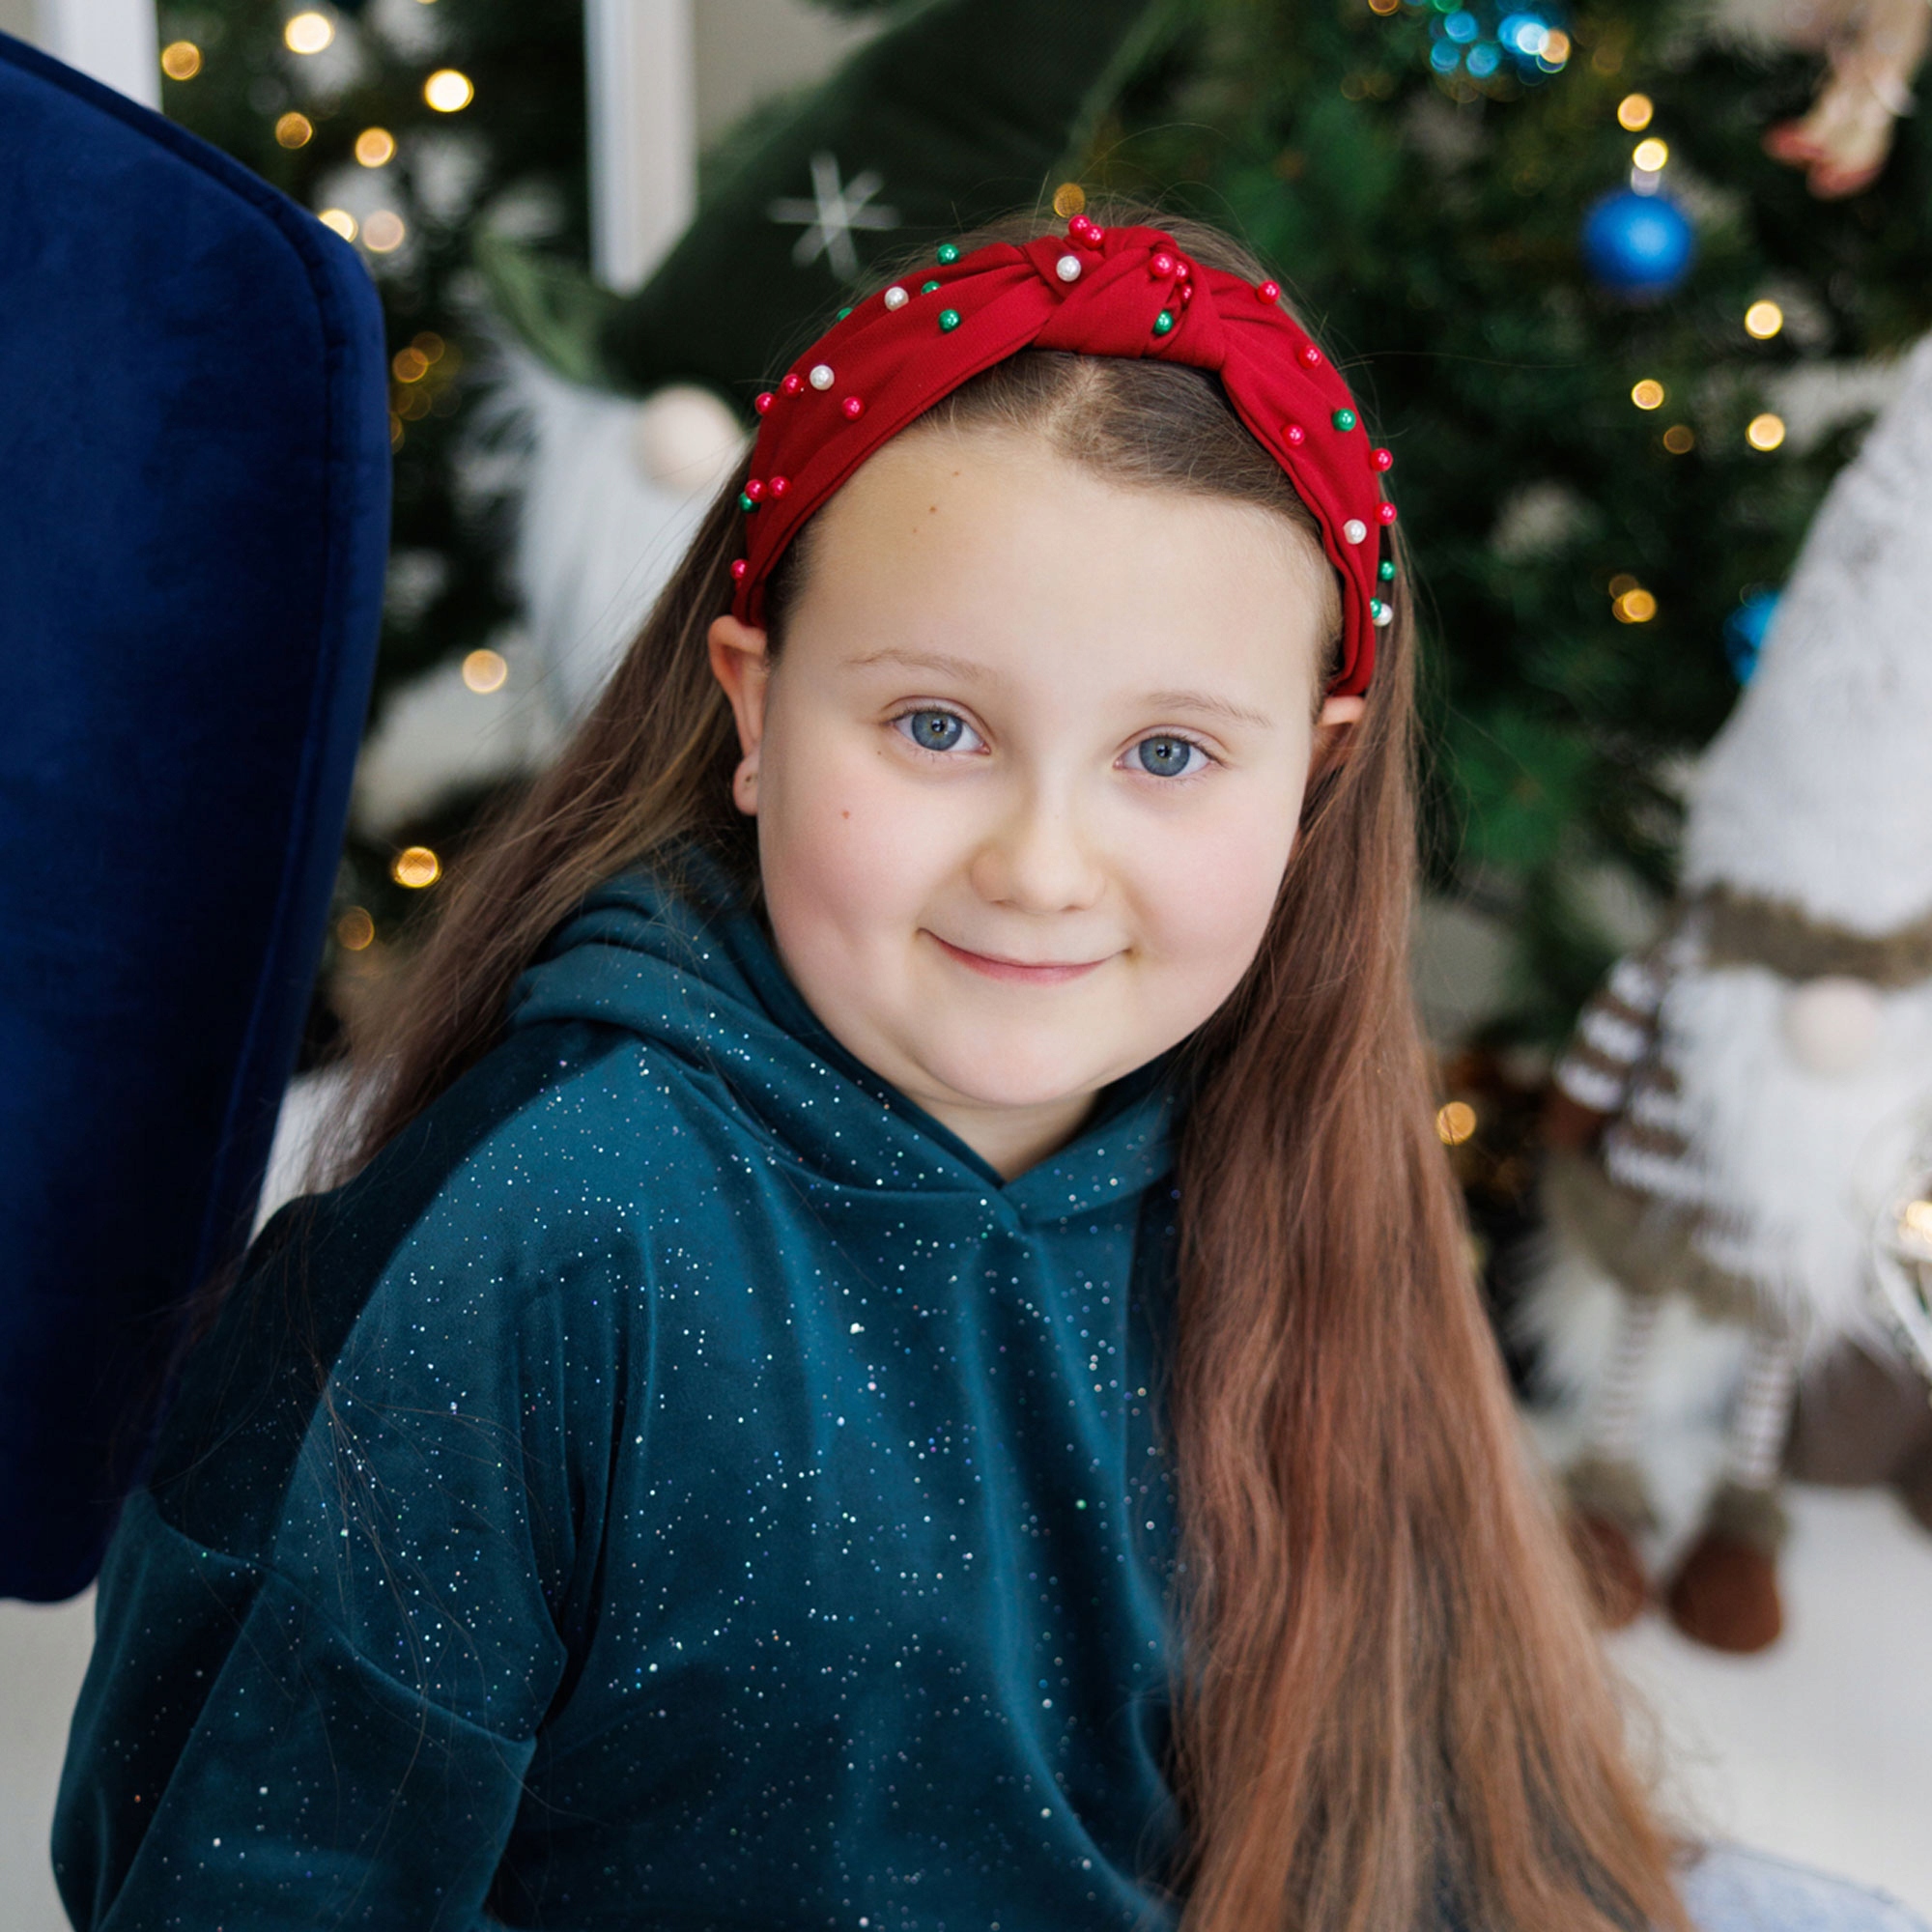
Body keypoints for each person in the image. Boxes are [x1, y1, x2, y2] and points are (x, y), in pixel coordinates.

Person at [51, 205, 1928, 1932]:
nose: (1041, 866)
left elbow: (1396, 1806)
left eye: (1167, 756)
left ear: (1315, 777)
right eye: (937, 726)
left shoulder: (1274, 1161)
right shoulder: (537, 1238)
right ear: (755, 709)